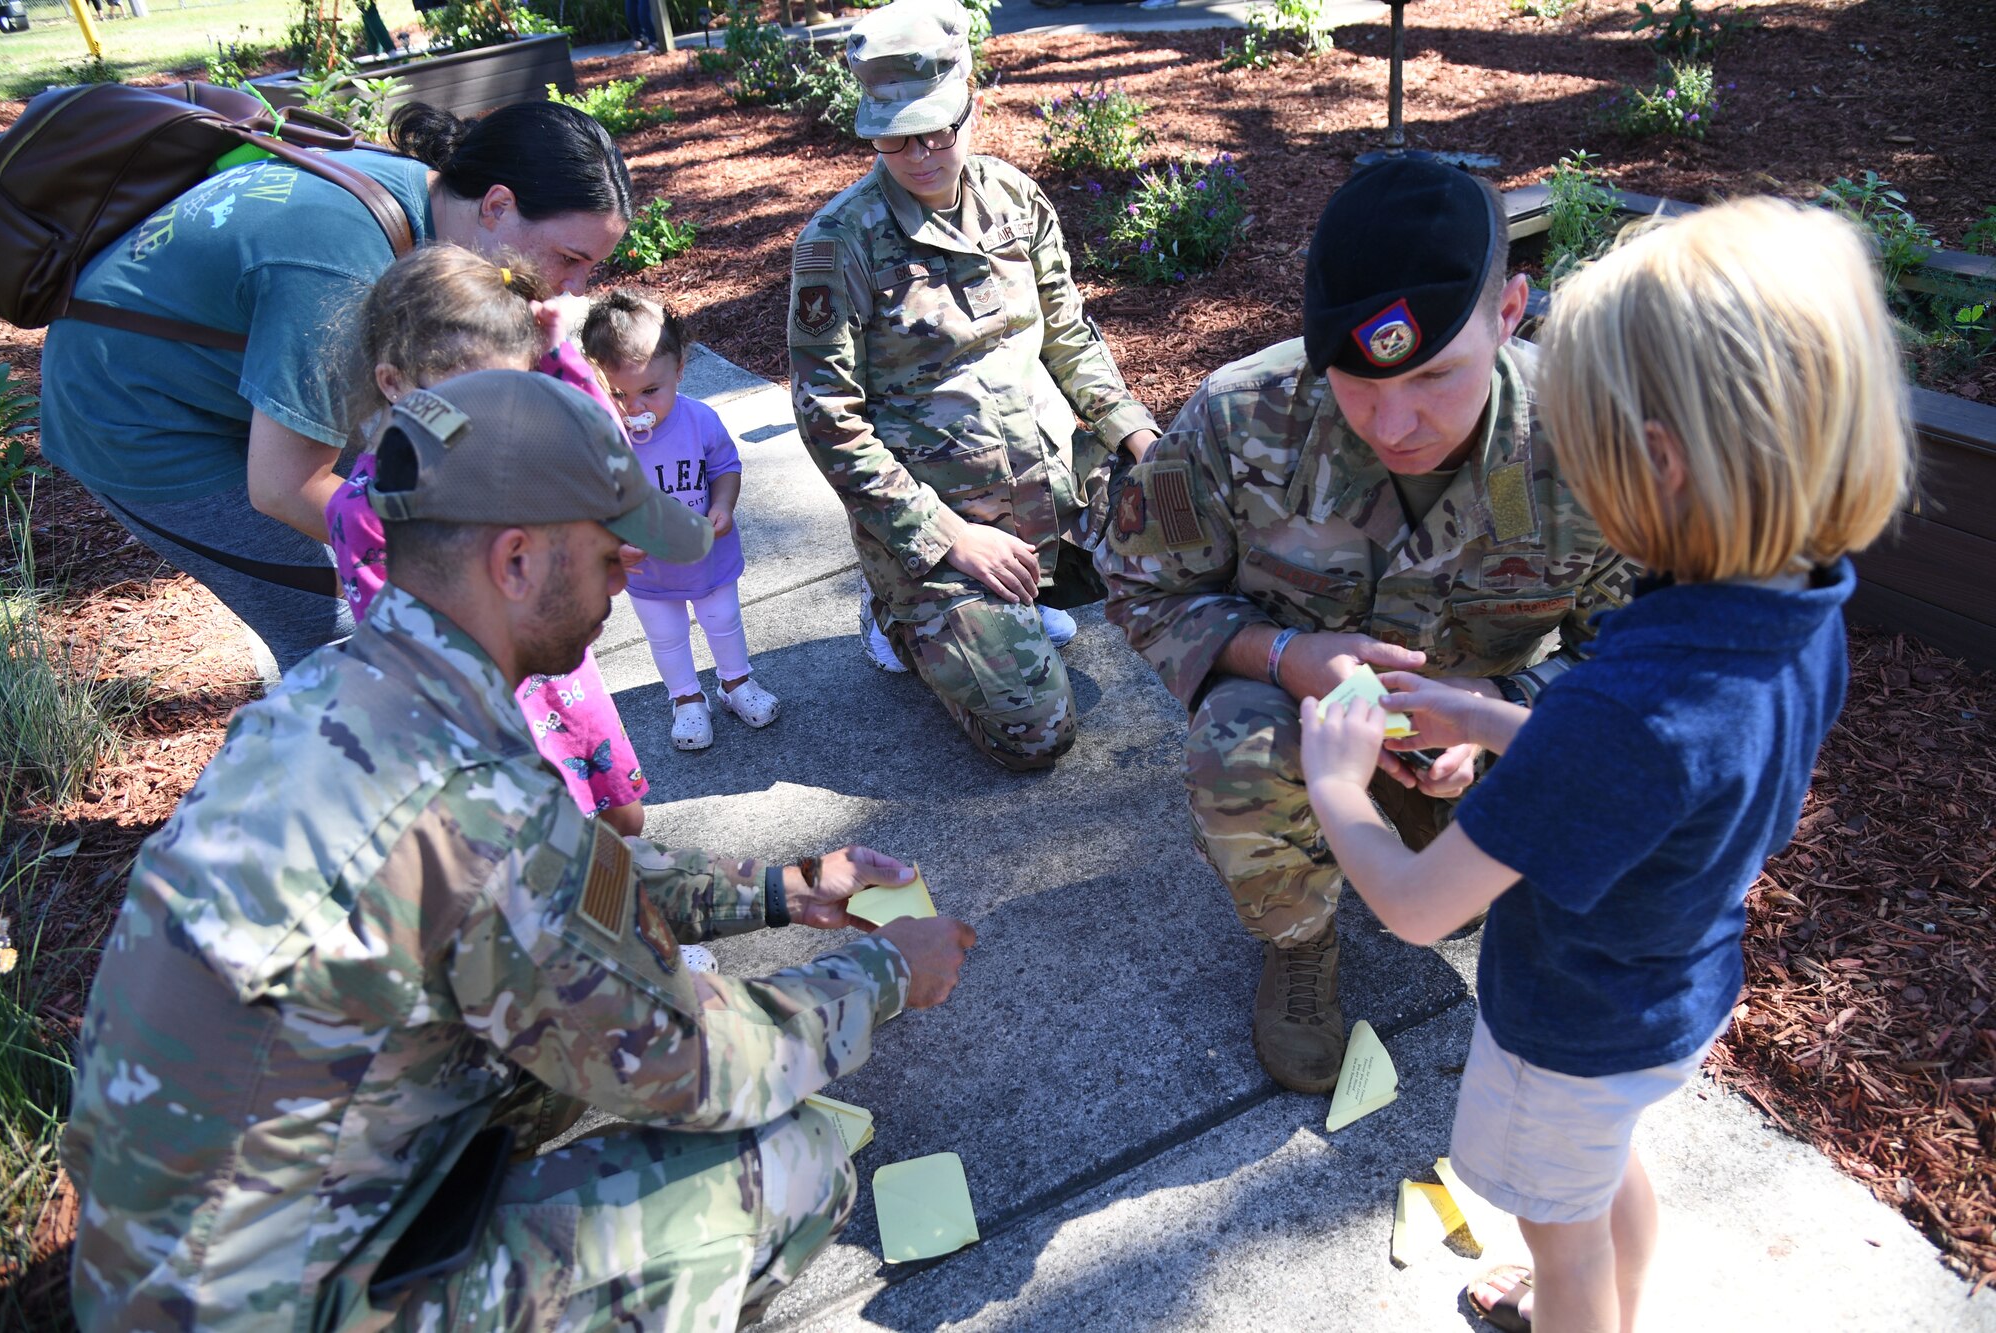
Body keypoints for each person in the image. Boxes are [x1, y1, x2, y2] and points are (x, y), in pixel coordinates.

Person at [61, 369, 980, 1333]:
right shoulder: (475, 808)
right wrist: (883, 972)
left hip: (171, 1267)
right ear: (513, 562)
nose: (627, 576)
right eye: (606, 555)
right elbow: (698, 1061)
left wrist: (783, 889)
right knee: (788, 1164)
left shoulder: (342, 693)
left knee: (537, 1074)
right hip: (284, 1308)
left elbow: (571, 877)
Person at [1296, 197, 1911, 1333]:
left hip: (1569, 1023)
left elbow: (1420, 906)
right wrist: (1488, 724)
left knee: (1561, 1239)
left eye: (1578, 440)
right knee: (1600, 1174)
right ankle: (1605, 1292)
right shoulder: (1795, 600)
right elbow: (1668, 773)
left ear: (1660, 463)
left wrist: (1337, 781)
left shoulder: (1624, 708)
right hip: (1674, 989)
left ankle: (1581, 1306)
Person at [1094, 158, 1637, 1093]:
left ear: (1509, 312)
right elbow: (1140, 586)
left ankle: (1442, 836)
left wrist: (1499, 709)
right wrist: (1284, 654)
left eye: (1435, 375)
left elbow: (1640, 667)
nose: (1395, 422)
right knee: (1236, 742)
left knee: (1515, 879)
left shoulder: (1590, 445)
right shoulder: (1240, 417)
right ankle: (1299, 940)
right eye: (1355, 379)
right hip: (1301, 729)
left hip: (1488, 739)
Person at [36, 100, 633, 676]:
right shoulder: (345, 273)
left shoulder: (433, 201)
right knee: (353, 628)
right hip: (130, 411)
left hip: (235, 361)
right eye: (568, 257)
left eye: (590, 268)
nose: (574, 289)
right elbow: (285, 486)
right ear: (498, 205)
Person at [787, 0, 1161, 772]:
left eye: (937, 129)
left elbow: (1071, 338)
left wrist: (1143, 441)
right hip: (946, 524)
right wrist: (950, 536)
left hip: (1057, 490)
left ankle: (1030, 598)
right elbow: (828, 419)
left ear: (971, 107)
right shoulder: (837, 245)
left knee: (1201, 535)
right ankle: (898, 614)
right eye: (894, 136)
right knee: (1036, 732)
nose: (920, 152)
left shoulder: (1017, 201)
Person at [324, 245, 649, 836]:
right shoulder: (368, 510)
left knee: (621, 818)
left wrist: (558, 357)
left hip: (559, 679)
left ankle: (636, 919)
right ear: (395, 383)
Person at [583, 291, 781, 751]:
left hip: (707, 554)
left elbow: (725, 468)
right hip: (647, 569)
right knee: (666, 636)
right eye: (618, 394)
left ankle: (735, 684)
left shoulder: (700, 420)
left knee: (723, 619)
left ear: (679, 371)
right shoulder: (601, 439)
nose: (635, 407)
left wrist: (724, 506)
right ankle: (686, 699)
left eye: (650, 390)